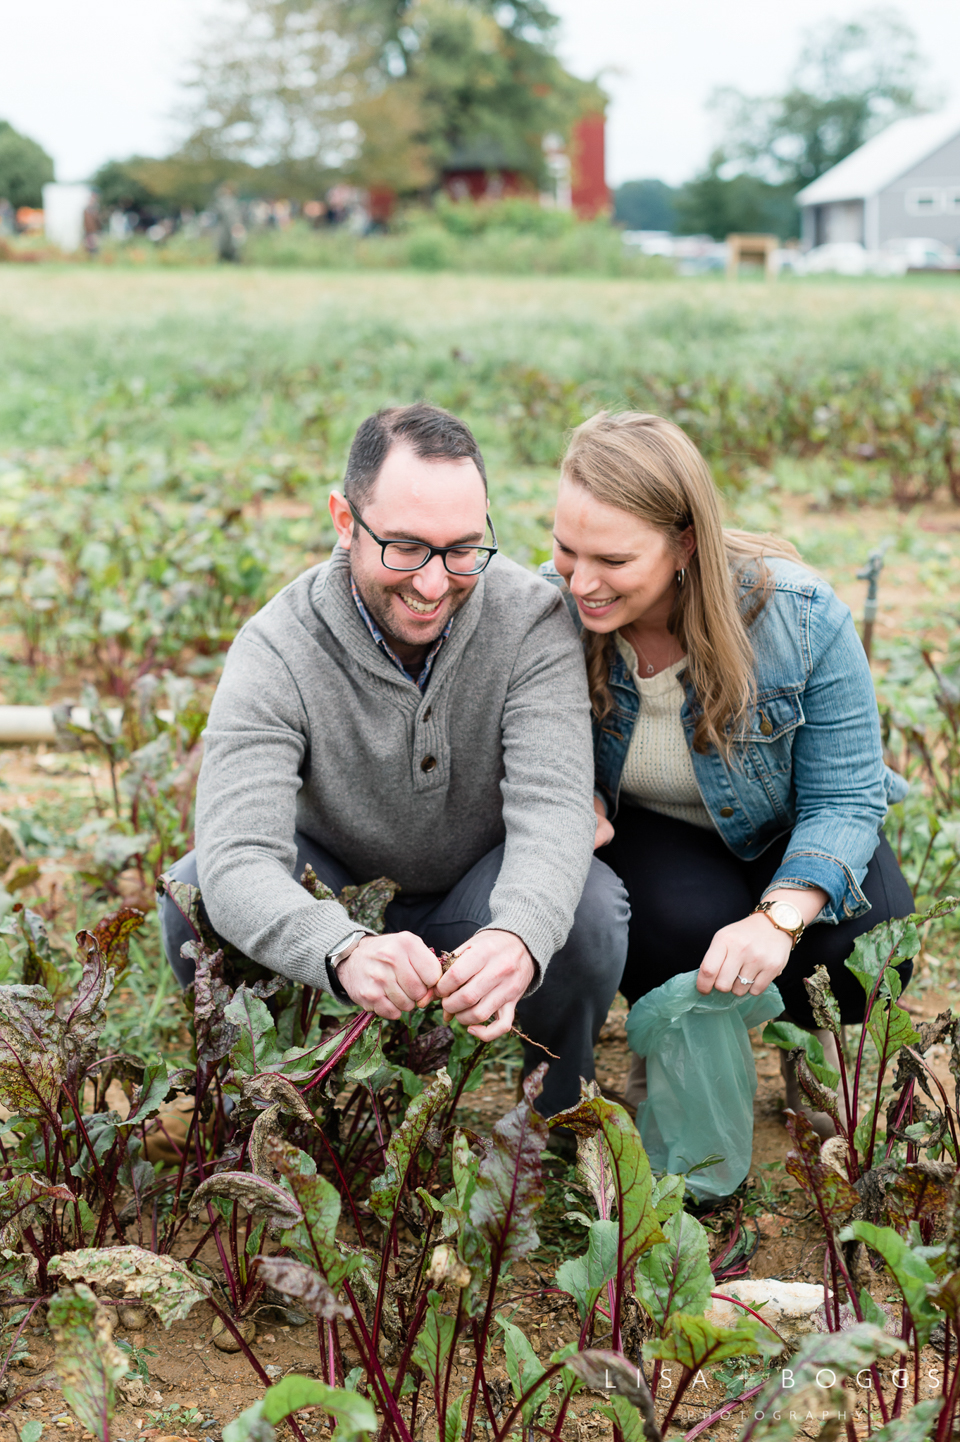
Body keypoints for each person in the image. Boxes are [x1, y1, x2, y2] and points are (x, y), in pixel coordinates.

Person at [159, 403, 628, 1121]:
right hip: (336, 895)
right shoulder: (277, 648)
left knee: (587, 908)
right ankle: (263, 1099)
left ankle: (559, 1109)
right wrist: (340, 948)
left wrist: (518, 935)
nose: (435, 583)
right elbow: (236, 855)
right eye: (405, 548)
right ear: (345, 521)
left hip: (477, 896)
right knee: (195, 895)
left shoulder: (532, 621)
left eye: (462, 549)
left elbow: (553, 807)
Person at [542, 410, 914, 1134]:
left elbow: (848, 795)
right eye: (564, 548)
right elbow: (496, 734)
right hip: (658, 834)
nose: (581, 582)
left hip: (789, 825)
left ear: (684, 544)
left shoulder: (800, 617)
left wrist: (776, 923)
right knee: (674, 928)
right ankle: (672, 1039)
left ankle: (810, 1044)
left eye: (613, 562)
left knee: (865, 943)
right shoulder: (544, 611)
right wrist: (565, 788)